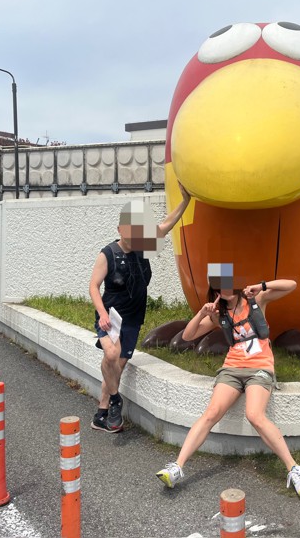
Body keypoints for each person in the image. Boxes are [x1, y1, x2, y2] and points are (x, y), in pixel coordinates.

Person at [155, 266, 300, 497]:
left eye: (226, 283)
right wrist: (202, 313)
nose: (223, 289)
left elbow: (292, 285)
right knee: (211, 413)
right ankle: (177, 467)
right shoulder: (219, 314)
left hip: (259, 368)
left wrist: (261, 285)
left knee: (255, 415)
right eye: (218, 286)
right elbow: (188, 336)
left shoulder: (256, 299)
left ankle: (296, 469)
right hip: (231, 369)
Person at [89, 185, 191, 433]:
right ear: (119, 229)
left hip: (134, 318)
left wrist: (185, 201)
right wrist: (102, 314)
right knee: (111, 356)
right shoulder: (108, 254)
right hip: (111, 317)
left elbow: (166, 224)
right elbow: (93, 286)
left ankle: (101, 415)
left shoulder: (143, 245)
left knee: (117, 366)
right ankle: (116, 400)